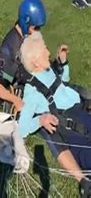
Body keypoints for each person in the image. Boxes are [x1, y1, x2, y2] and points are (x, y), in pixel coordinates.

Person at [18, 32, 91, 195]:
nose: (48, 52)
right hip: (72, 130)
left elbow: (63, 84)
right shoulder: (32, 92)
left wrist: (64, 63)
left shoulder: (47, 71)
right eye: (44, 49)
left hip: (82, 112)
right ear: (35, 61)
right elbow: (21, 128)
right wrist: (40, 120)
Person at [0, 0, 47, 111]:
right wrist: (16, 100)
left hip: (15, 74)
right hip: (3, 84)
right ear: (26, 23)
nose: (38, 31)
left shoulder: (25, 35)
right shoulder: (9, 53)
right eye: (36, 28)